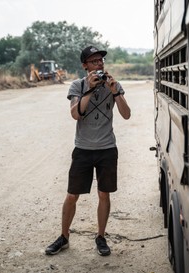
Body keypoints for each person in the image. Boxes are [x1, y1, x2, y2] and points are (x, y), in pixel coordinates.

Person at [45, 45, 131, 256]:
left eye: (101, 61)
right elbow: (76, 114)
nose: (99, 64)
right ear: (85, 66)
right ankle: (64, 237)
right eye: (94, 62)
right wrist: (90, 90)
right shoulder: (77, 85)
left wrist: (115, 91)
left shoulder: (114, 85)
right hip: (83, 148)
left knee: (104, 194)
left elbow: (127, 114)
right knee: (72, 195)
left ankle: (100, 237)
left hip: (107, 148)